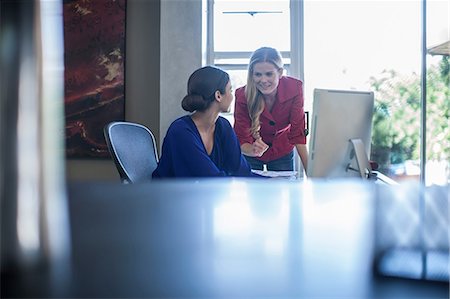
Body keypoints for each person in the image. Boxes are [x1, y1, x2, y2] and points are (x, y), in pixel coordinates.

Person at [152, 66, 255, 178]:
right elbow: (208, 178)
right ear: (218, 96)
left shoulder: (223, 126)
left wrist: (271, 182)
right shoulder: (180, 131)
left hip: (207, 193)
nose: (232, 96)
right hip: (173, 194)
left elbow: (242, 171)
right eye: (230, 90)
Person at [233, 47, 308, 172]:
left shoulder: (295, 88)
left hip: (281, 148)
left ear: (280, 72)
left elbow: (298, 133)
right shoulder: (242, 95)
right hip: (251, 150)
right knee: (252, 188)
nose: (263, 80)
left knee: (282, 188)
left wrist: (311, 175)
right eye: (258, 74)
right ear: (252, 74)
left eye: (269, 74)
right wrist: (252, 150)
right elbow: (241, 137)